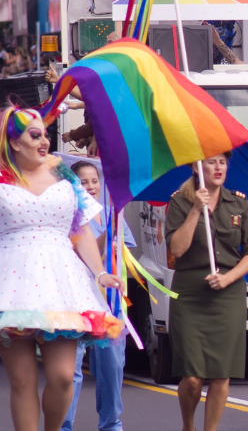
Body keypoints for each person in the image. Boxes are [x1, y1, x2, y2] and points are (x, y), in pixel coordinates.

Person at [0, 107, 123, 431]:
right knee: (23, 382)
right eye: (34, 135)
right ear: (14, 142)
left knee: (63, 377)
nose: (44, 141)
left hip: (60, 283)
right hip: (7, 285)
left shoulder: (65, 178)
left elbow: (80, 230)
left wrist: (99, 273)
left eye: (45, 135)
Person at [167, 152, 248, 431]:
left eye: (223, 161)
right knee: (192, 378)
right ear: (197, 168)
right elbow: (177, 249)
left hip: (227, 294)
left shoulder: (239, 203)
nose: (219, 167)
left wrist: (228, 278)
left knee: (221, 375)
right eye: (211, 161)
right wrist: (196, 210)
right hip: (190, 294)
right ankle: (188, 425)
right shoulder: (180, 202)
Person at [61, 161, 137, 431]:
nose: (91, 187)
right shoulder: (66, 216)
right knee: (70, 369)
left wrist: (117, 245)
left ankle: (111, 423)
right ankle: (63, 425)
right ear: (72, 185)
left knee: (112, 366)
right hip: (75, 300)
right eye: (84, 181)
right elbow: (83, 252)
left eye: (95, 181)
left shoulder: (111, 213)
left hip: (108, 301)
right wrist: (107, 235)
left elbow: (125, 252)